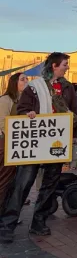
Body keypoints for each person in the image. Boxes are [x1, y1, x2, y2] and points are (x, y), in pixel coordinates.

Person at [0, 53, 77, 243]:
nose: (67, 68)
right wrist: (28, 113)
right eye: (64, 64)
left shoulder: (68, 88)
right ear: (54, 66)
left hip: (57, 143)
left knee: (49, 186)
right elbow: (22, 109)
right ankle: (7, 225)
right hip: (36, 144)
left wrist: (76, 134)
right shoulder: (34, 88)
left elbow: (76, 112)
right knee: (23, 184)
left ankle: (38, 221)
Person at [0, 74, 28, 205]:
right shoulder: (5, 100)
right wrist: (13, 141)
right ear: (14, 83)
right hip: (5, 144)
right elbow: (3, 123)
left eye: (27, 78)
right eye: (23, 79)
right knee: (4, 179)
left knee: (13, 180)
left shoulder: (25, 100)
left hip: (18, 145)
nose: (26, 81)